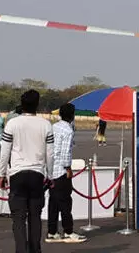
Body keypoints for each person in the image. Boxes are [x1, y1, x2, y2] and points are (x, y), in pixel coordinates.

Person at [0, 90, 54, 253]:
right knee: (35, 217)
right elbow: (50, 153)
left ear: (21, 105)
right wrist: (50, 175)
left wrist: (2, 173)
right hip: (37, 174)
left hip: (17, 174)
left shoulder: (12, 124)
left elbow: (5, 151)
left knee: (18, 218)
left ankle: (21, 250)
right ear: (37, 105)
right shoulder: (45, 124)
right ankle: (35, 250)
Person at [47, 104, 85, 243]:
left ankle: (52, 232)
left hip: (51, 170)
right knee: (65, 202)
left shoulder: (54, 127)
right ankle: (68, 231)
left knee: (53, 203)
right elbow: (65, 152)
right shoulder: (68, 130)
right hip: (61, 171)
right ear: (72, 115)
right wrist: (68, 169)